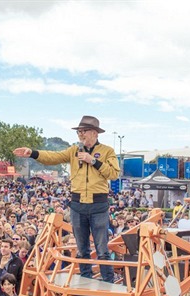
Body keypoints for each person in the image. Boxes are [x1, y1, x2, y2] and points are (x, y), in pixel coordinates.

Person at [13, 115, 120, 283]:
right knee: (82, 249)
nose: (80, 134)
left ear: (94, 133)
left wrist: (93, 161)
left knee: (102, 249)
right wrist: (33, 153)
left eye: (83, 131)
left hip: (98, 204)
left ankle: (108, 285)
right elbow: (53, 157)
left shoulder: (107, 151)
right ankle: (86, 283)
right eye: (79, 132)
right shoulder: (73, 151)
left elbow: (114, 174)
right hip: (77, 204)